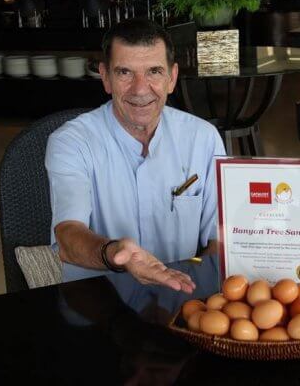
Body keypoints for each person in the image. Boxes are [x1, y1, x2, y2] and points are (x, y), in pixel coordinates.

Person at [45, 19, 225, 292]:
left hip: (181, 296)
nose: (140, 89)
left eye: (154, 71)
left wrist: (200, 297)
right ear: (105, 77)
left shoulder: (203, 137)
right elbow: (68, 238)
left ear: (172, 78)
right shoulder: (71, 142)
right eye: (125, 73)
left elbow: (219, 238)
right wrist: (116, 254)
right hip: (98, 301)